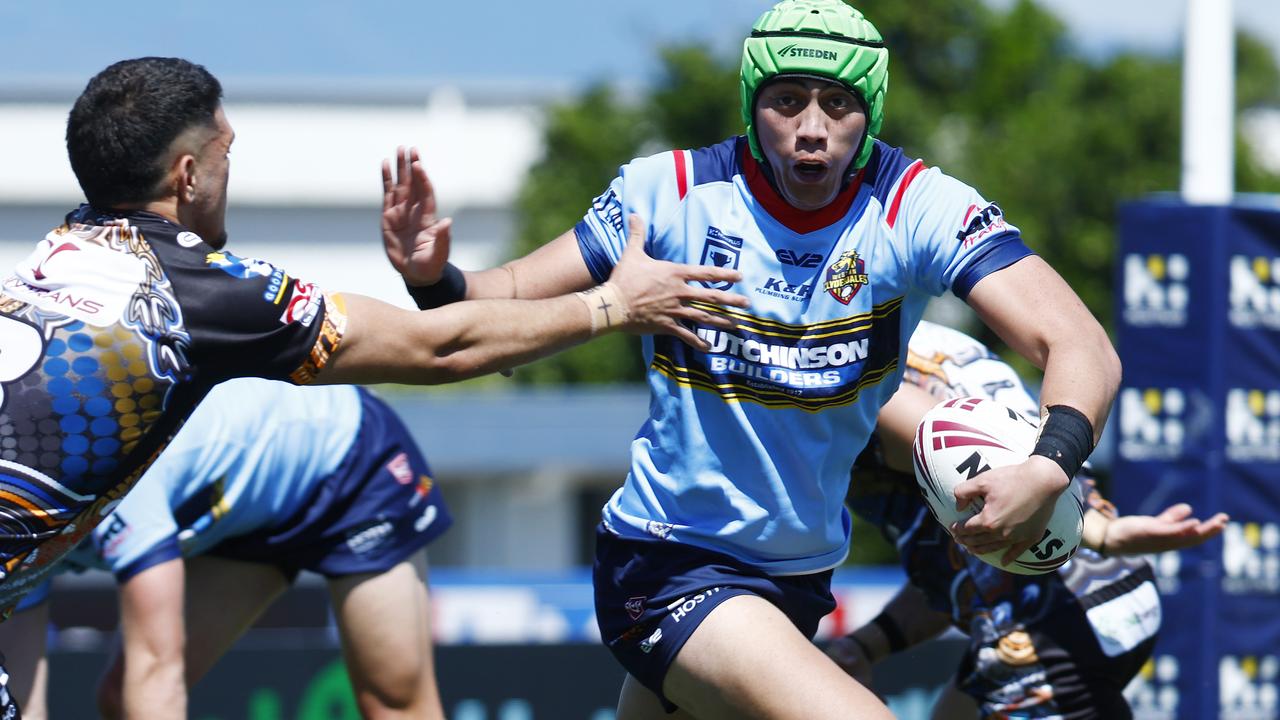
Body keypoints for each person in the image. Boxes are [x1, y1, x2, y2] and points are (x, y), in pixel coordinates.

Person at [384, 1, 1122, 716]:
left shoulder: (915, 208)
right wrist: (435, 279)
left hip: (797, 582)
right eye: (787, 100)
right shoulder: (671, 194)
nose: (811, 130)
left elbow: (1079, 343)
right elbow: (506, 295)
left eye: (838, 104)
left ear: (871, 112)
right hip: (668, 565)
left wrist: (1050, 464)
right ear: (750, 103)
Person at [0, 56, 746, 718]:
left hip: (340, 471)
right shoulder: (189, 295)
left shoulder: (49, 262)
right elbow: (440, 348)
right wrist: (615, 304)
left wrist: (438, 280)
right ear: (188, 176)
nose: (232, 170)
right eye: (227, 152)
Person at [826, 320, 1227, 719]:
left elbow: (975, 459)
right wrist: (866, 646)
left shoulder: (841, 372)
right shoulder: (887, 335)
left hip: (1054, 617)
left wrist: (1101, 531)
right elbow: (971, 557)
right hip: (1089, 592)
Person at [0, 378, 452, 720]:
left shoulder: (122, 481)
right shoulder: (12, 530)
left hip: (353, 464)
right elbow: (20, 698)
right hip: (236, 509)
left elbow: (157, 671)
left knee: (394, 702)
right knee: (123, 701)